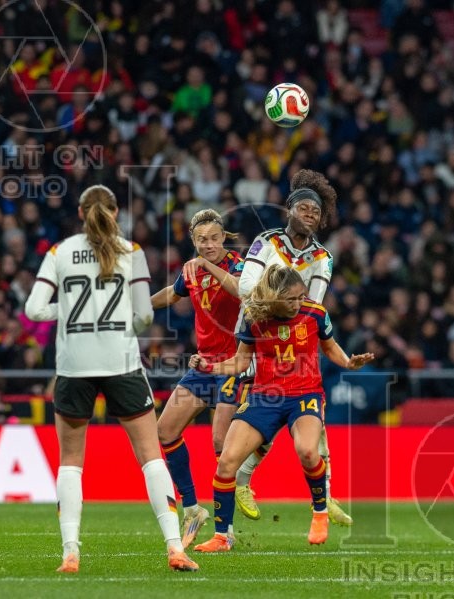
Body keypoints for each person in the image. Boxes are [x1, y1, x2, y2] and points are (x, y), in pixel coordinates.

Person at [24, 185, 199, 574]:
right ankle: (174, 546)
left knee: (71, 462)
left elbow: (34, 309)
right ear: (116, 212)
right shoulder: (130, 252)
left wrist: (68, 311)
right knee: (151, 457)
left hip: (73, 368)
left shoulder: (60, 252)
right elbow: (145, 318)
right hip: (120, 364)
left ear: (81, 211)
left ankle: (70, 552)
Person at [189, 265, 374, 552]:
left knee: (308, 451)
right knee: (226, 462)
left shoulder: (315, 313)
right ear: (273, 297)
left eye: (301, 296)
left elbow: (329, 346)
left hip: (305, 394)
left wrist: (349, 362)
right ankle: (222, 537)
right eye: (291, 299)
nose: (298, 303)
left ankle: (320, 513)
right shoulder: (253, 318)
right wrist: (209, 366)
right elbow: (240, 362)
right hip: (265, 396)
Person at [234, 168, 353, 526]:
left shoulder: (323, 259)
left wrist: (292, 322)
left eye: (315, 212)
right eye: (303, 208)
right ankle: (238, 482)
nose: (310, 215)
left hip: (296, 349)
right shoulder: (265, 243)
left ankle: (325, 497)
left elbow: (312, 309)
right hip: (257, 345)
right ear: (289, 210)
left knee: (312, 424)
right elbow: (245, 288)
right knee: (258, 426)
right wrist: (278, 310)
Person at [151, 209, 244, 548]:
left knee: (221, 443)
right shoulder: (189, 272)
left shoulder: (238, 266)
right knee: (166, 429)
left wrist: (207, 266)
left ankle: (226, 530)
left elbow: (240, 291)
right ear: (193, 240)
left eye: (214, 238)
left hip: (234, 365)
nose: (208, 245)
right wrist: (139, 308)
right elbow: (173, 294)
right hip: (203, 366)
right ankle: (192, 508)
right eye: (201, 240)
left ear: (224, 237)